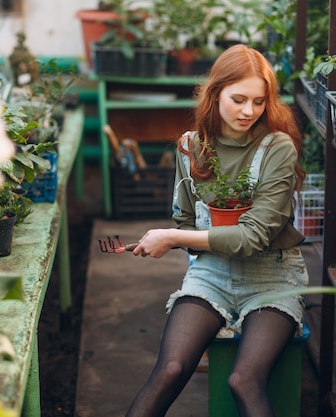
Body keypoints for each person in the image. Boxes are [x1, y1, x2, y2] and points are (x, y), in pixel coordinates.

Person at [125, 44, 309, 417]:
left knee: (244, 379)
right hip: (209, 275)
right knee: (170, 369)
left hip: (272, 277)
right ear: (215, 93)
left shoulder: (278, 147)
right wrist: (177, 234)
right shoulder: (190, 147)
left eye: (259, 102)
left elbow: (253, 236)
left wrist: (173, 238)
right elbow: (185, 219)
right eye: (238, 99)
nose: (248, 112)